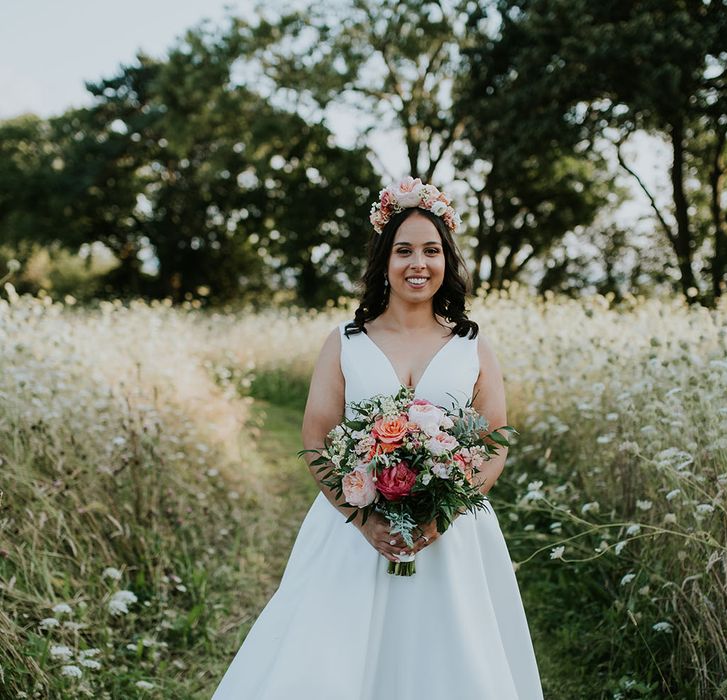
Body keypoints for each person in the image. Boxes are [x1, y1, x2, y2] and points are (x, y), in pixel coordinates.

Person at [211, 177, 544, 699]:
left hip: (450, 534)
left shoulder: (471, 344)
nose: (418, 263)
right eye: (403, 250)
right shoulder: (345, 341)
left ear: (446, 259)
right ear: (383, 262)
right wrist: (363, 521)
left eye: (431, 251)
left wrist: (445, 512)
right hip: (353, 528)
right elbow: (316, 434)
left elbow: (495, 438)